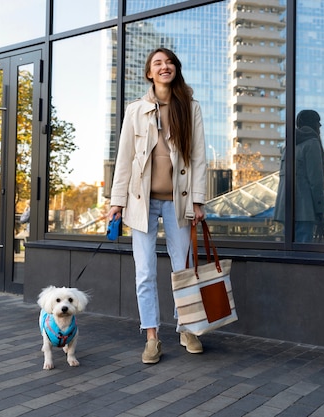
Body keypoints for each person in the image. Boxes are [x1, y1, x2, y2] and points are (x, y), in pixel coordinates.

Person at [108, 48, 207, 364]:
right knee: (145, 272)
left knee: (184, 268)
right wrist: (116, 203)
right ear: (149, 73)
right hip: (142, 202)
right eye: (158, 63)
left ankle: (187, 327)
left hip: (178, 202)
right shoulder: (136, 110)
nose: (165, 67)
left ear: (176, 69)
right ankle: (152, 336)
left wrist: (198, 199)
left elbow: (199, 158)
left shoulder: (190, 108)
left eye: (169, 63)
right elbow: (124, 159)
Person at [274, 109, 324, 242]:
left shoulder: (289, 146)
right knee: (303, 251)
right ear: (315, 125)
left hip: (286, 210)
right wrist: (320, 211)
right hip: (305, 210)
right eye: (318, 123)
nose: (320, 127)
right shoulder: (312, 144)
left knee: (290, 249)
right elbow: (316, 181)